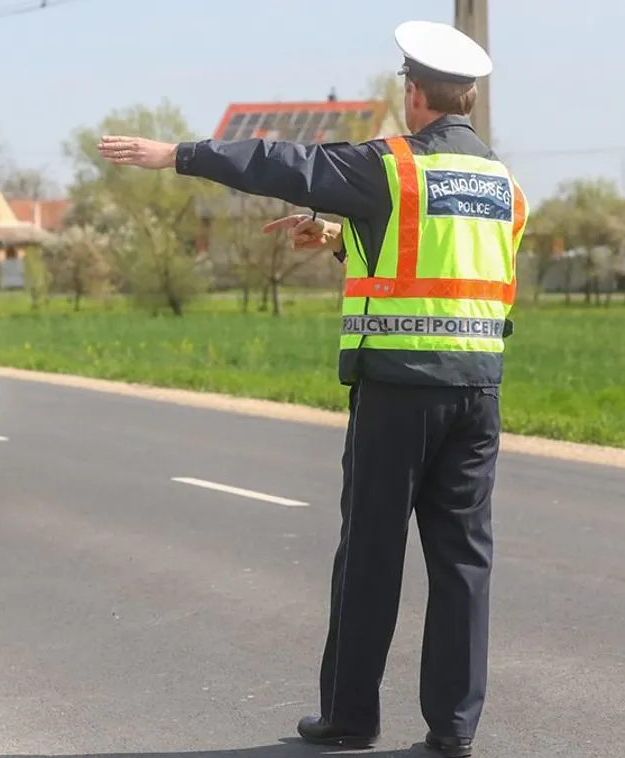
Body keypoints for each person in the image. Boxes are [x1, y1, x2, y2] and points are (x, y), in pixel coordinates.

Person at [96, 19, 527, 758]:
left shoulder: (390, 166)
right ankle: (453, 727)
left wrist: (180, 155)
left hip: (397, 391)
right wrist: (340, 239)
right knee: (463, 562)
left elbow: (284, 163)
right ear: (469, 101)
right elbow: (436, 269)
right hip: (476, 394)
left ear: (413, 92)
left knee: (370, 554)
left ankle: (350, 718)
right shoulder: (506, 188)